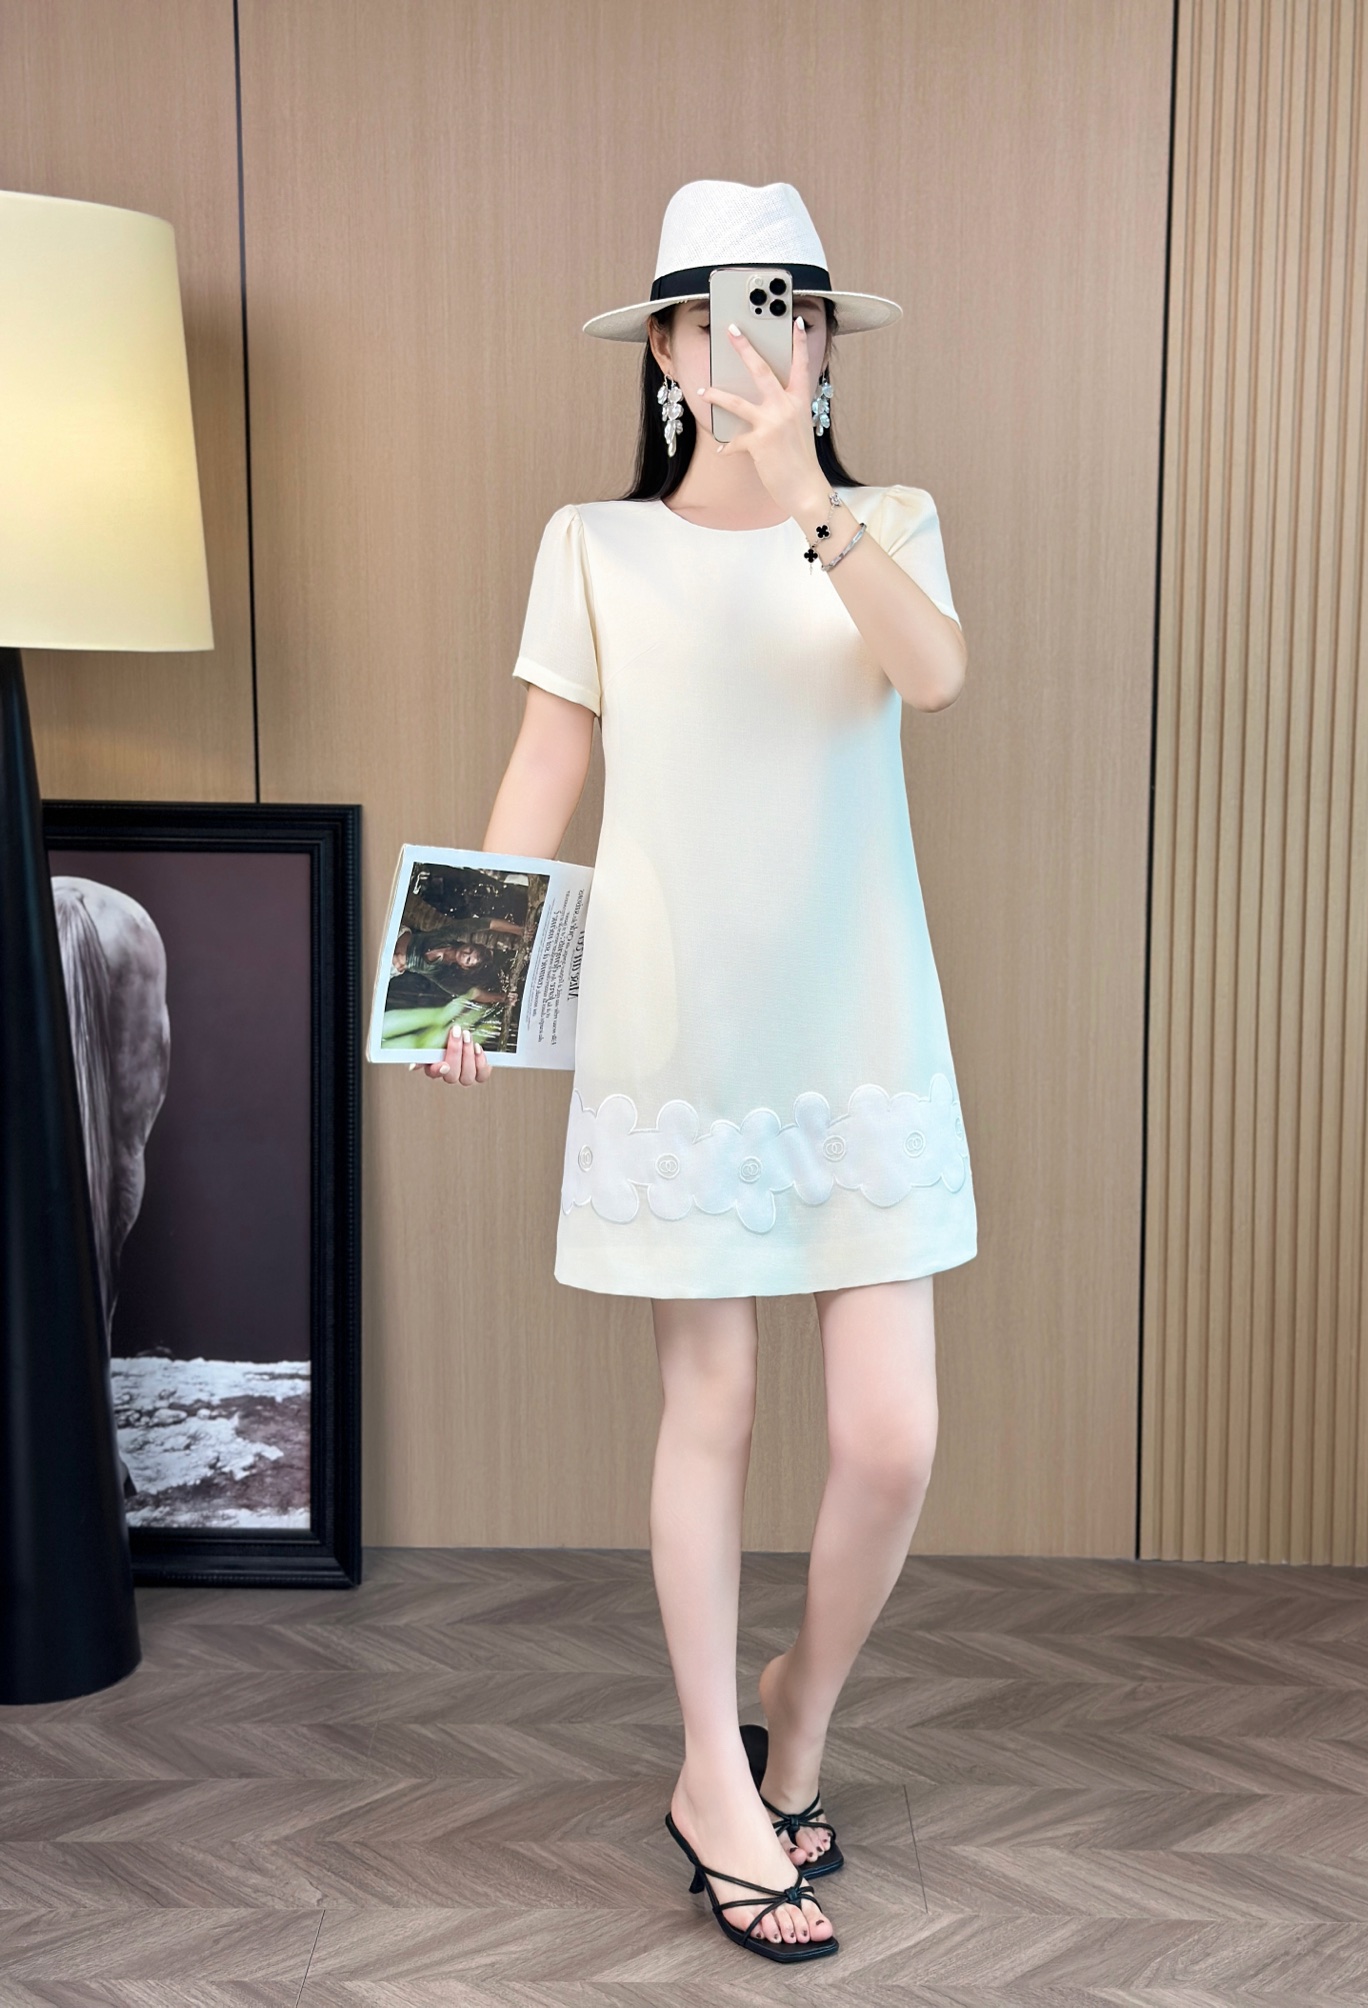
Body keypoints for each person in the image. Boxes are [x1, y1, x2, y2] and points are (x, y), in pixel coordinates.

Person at [421, 180, 977, 1965]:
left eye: (789, 310)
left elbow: (935, 677)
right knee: (710, 1412)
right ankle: (714, 1783)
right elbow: (543, 767)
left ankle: (795, 1715)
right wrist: (462, 986)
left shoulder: (886, 522)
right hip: (676, 1033)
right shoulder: (594, 544)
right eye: (721, 313)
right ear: (664, 350)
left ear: (821, 342)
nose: (756, 341)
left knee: (892, 1438)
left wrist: (811, 496)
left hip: (859, 1027)